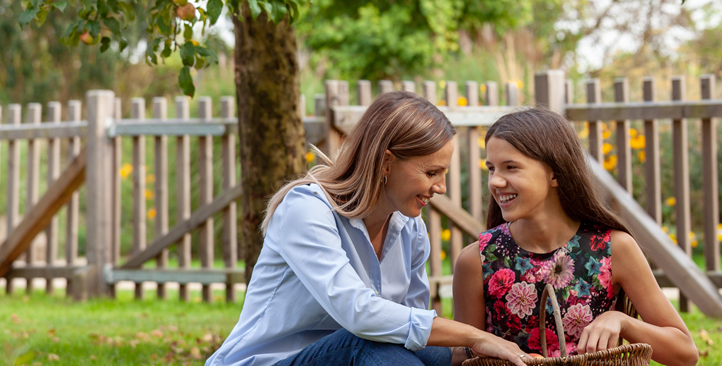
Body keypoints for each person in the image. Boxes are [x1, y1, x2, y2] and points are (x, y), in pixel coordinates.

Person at [206, 92, 529, 366]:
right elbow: (360, 315)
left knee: (442, 355)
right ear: (386, 162)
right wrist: (476, 335)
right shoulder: (306, 208)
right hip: (272, 360)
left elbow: (410, 330)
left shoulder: (410, 227)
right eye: (431, 172)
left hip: (360, 353)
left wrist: (488, 352)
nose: (441, 187)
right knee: (372, 345)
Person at [452, 108, 699, 366]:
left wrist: (622, 322)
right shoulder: (477, 259)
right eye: (491, 169)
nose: (495, 182)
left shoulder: (614, 249)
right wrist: (482, 349)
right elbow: (458, 358)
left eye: (511, 167)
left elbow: (685, 353)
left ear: (555, 174)